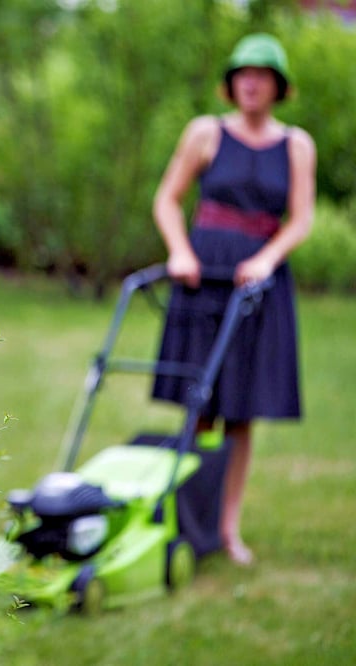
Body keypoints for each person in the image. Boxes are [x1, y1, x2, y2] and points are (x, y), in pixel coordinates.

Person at [151, 33, 315, 565]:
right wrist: (179, 251)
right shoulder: (205, 133)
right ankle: (184, 520)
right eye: (242, 72)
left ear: (277, 85)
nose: (251, 81)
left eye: (262, 74)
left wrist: (268, 258)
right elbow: (168, 199)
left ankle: (227, 529)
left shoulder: (296, 145)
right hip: (204, 273)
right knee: (199, 404)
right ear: (231, 82)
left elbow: (302, 219)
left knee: (242, 412)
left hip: (257, 285)